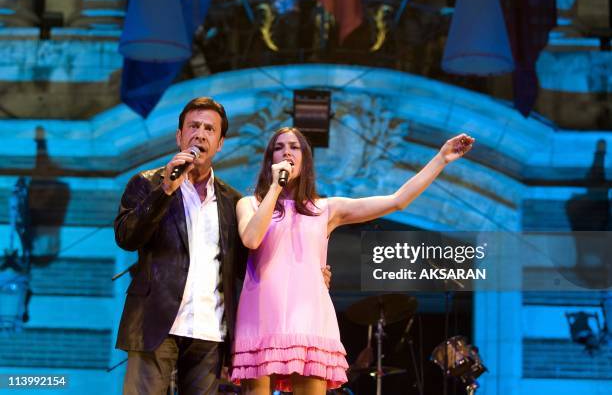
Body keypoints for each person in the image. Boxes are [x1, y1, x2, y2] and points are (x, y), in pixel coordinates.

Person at [231, 127, 474, 394]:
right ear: (270, 159)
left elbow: (397, 201)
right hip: (260, 314)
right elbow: (252, 239)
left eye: (294, 146)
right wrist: (275, 188)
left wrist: (441, 158)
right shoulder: (249, 204)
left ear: (306, 159)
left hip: (308, 316)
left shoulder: (325, 209)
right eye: (279, 147)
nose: (287, 151)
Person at [114, 97, 247, 395]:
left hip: (210, 330)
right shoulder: (147, 184)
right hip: (154, 323)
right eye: (194, 126)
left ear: (220, 142)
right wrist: (164, 192)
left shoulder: (233, 201)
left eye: (209, 129)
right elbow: (126, 237)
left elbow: (246, 267)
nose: (200, 134)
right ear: (179, 136)